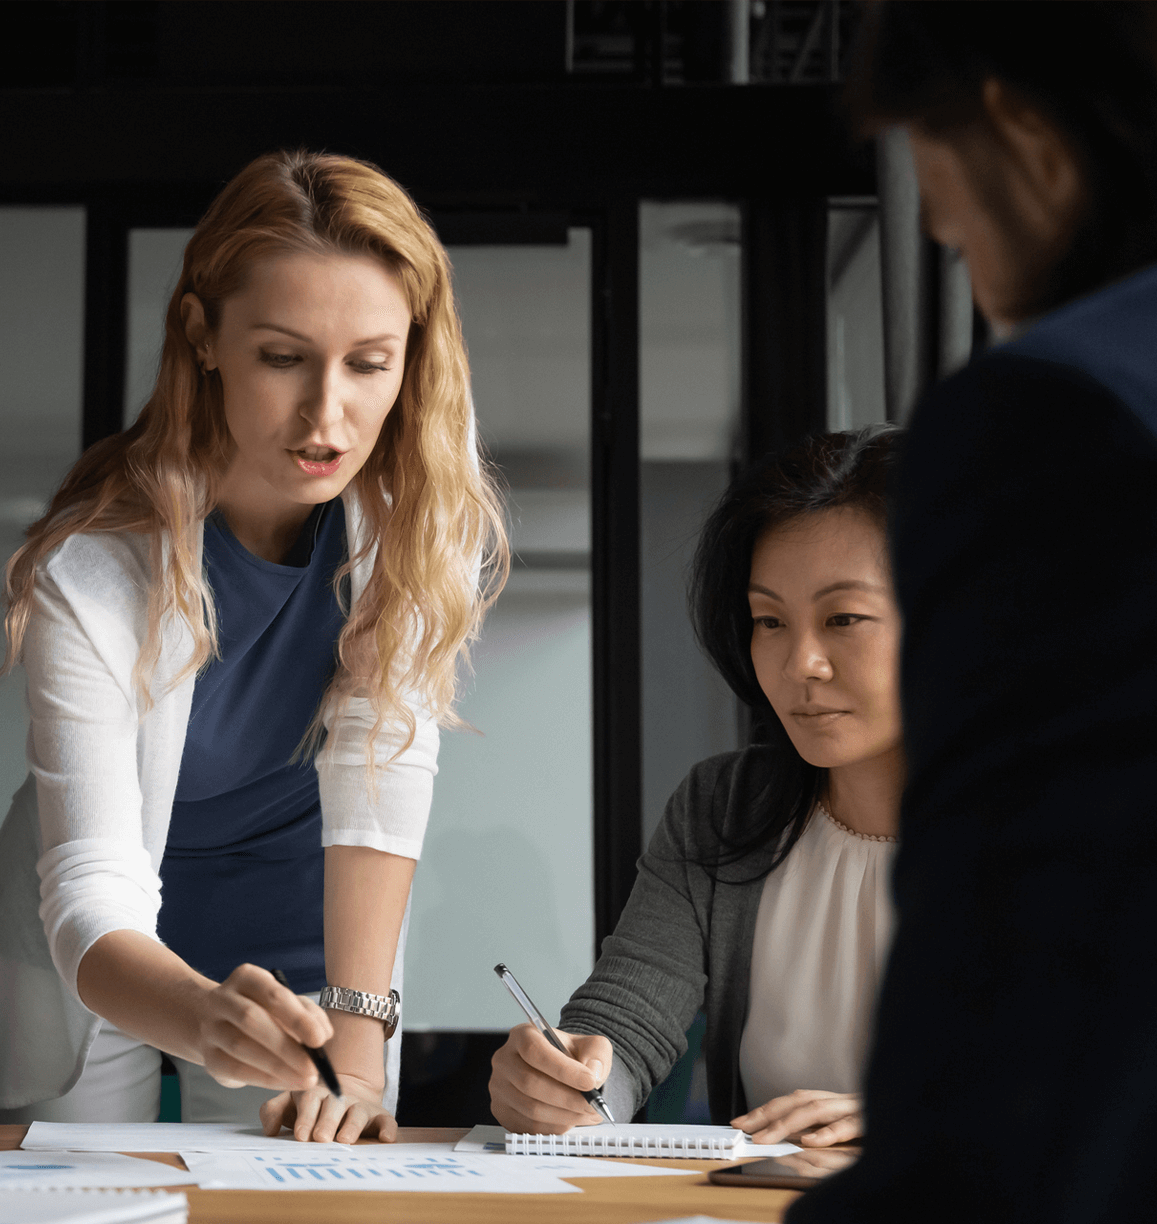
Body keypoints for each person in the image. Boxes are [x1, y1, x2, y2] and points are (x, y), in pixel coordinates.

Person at [0, 150, 506, 1143]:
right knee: (76, 1199)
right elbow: (91, 882)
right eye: (283, 358)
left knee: (306, 1191)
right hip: (102, 952)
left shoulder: (419, 533)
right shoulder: (92, 572)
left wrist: (358, 1052)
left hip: (306, 938)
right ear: (202, 337)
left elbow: (380, 783)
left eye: (368, 364)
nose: (327, 415)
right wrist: (204, 1016)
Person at [792, 4, 1157, 1220]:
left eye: (944, 208)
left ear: (1023, 138)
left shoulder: (1053, 419)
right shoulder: (723, 818)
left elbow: (1021, 974)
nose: (954, 245)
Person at [488, 427, 904, 1147]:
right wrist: (572, 1085)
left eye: (843, 619)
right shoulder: (725, 806)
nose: (799, 662)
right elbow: (627, 1022)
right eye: (769, 620)